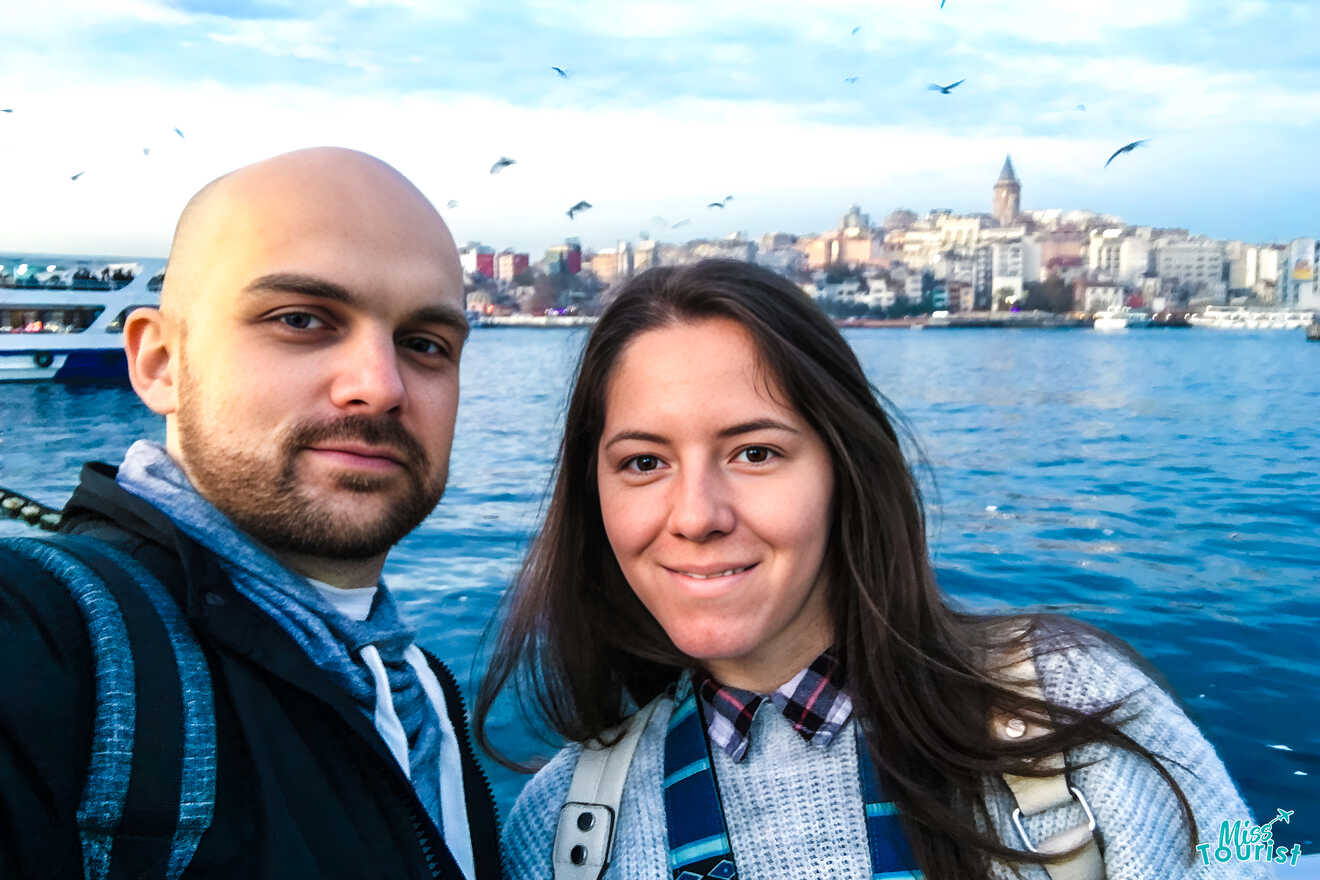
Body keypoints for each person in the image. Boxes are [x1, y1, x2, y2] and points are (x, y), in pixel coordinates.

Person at [479, 259, 1265, 879]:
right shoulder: (564, 826)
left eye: (755, 453)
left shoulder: (1080, 712)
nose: (695, 515)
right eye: (644, 461)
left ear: (844, 469)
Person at [0, 148, 500, 879]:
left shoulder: (420, 689)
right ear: (160, 362)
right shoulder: (44, 640)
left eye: (425, 344)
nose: (380, 385)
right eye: (300, 319)